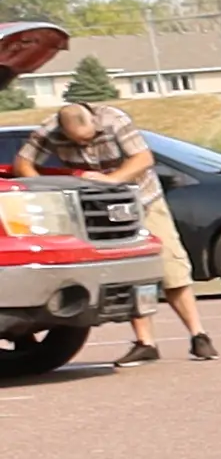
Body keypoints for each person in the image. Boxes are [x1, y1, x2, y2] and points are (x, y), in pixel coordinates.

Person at [19, 91, 205, 366]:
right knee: (129, 270)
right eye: (75, 143)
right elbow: (23, 163)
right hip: (98, 209)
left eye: (88, 139)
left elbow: (143, 159)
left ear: (94, 123)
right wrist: (43, 192)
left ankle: (199, 336)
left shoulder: (115, 120)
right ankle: (145, 343)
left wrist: (111, 181)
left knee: (170, 267)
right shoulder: (49, 131)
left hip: (142, 199)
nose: (83, 147)